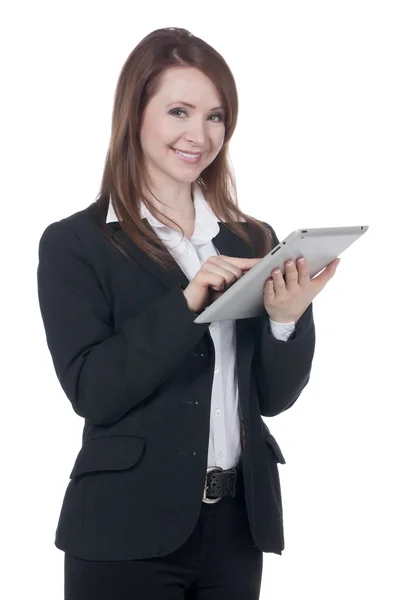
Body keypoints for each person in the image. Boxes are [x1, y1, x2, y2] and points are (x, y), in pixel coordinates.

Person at [37, 27, 340, 600]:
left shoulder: (254, 236)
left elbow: (273, 399)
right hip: (124, 528)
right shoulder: (75, 244)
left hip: (235, 526)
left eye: (216, 116)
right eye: (179, 111)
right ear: (136, 113)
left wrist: (285, 320)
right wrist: (187, 301)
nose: (199, 135)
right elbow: (93, 391)